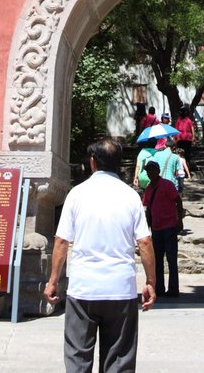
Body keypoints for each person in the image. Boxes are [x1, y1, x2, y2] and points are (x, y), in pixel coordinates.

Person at [46, 137, 157, 373]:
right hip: (120, 288)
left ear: (93, 162)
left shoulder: (77, 194)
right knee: (119, 361)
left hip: (83, 288)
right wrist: (151, 282)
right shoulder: (131, 196)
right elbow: (145, 241)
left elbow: (62, 240)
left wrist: (53, 280)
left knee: (78, 358)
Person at [141, 161, 181, 298]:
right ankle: (159, 288)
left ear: (158, 171)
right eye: (148, 171)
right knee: (157, 260)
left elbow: (178, 201)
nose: (150, 173)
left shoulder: (167, 185)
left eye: (152, 170)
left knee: (171, 259)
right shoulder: (148, 189)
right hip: (156, 229)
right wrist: (146, 227)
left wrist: (179, 220)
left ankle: (173, 289)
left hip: (169, 226)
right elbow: (148, 208)